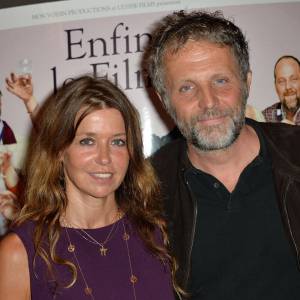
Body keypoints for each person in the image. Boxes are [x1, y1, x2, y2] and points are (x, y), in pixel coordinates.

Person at [145, 10, 300, 300]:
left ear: (247, 82)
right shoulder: (146, 190)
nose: (208, 102)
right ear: (166, 100)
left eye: (220, 81)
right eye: (187, 87)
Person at [0, 76, 179, 300]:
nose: (104, 158)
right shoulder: (21, 252)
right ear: (59, 150)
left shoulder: (156, 233)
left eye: (117, 142)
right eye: (87, 141)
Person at [262, 55, 300, 125]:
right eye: (281, 81)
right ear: (275, 86)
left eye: (294, 79)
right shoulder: (264, 119)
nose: (288, 87)